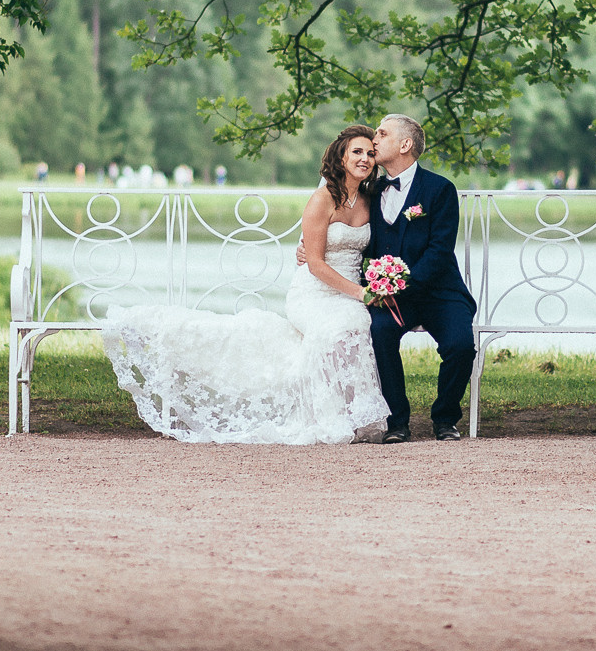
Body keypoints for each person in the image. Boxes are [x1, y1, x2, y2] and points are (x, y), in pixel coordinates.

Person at [100, 127, 389, 444]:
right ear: (341, 157)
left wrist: (374, 284)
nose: (364, 158)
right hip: (315, 293)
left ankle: (356, 415)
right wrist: (361, 293)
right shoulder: (323, 199)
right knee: (336, 327)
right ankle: (330, 416)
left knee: (355, 322)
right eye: (357, 152)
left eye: (370, 153)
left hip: (350, 294)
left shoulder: (370, 201)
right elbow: (316, 264)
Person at [302, 113, 477, 442]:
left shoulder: (440, 189)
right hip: (387, 297)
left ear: (405, 144)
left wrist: (400, 285)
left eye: (382, 135)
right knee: (379, 333)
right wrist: (307, 252)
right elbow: (344, 233)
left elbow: (440, 251)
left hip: (440, 292)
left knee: (460, 345)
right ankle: (397, 422)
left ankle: (444, 418)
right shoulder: (371, 190)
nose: (374, 140)